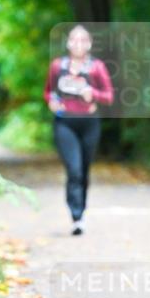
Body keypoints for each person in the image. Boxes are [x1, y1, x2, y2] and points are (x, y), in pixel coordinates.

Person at [43, 25, 114, 235]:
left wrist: (92, 93)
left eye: (83, 40)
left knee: (83, 170)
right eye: (74, 39)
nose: (78, 44)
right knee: (73, 170)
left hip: (89, 123)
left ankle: (81, 211)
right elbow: (49, 92)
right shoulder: (58, 66)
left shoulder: (96, 67)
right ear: (68, 43)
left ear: (89, 44)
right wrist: (52, 102)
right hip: (65, 123)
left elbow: (108, 96)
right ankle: (76, 216)